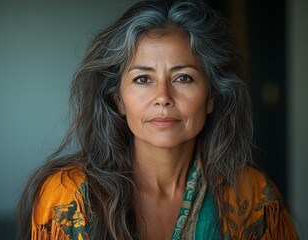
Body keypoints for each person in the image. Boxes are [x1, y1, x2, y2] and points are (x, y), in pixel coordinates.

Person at [17, 0, 299, 239]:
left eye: (183, 77)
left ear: (212, 96)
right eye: (143, 79)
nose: (163, 96)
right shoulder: (69, 197)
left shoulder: (252, 198)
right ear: (118, 100)